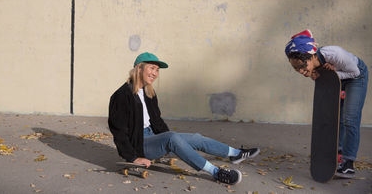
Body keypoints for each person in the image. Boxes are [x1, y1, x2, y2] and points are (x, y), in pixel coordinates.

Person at [108, 52, 260, 185]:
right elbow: (119, 132)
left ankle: (234, 153)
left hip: (153, 138)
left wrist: (169, 143)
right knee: (172, 138)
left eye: (157, 70)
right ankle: (216, 172)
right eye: (152, 68)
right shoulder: (122, 95)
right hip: (139, 144)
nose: (155, 73)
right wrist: (133, 158)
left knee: (196, 138)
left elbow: (158, 122)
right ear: (139, 68)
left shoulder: (148, 93)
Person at [285, 30, 368, 177]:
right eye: (296, 68)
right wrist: (320, 75)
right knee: (337, 117)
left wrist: (332, 74)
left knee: (350, 119)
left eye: (303, 66)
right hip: (339, 77)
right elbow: (319, 74)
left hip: (356, 76)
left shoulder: (334, 54)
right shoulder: (312, 64)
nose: (301, 71)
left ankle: (348, 164)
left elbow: (354, 72)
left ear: (311, 57)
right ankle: (338, 153)